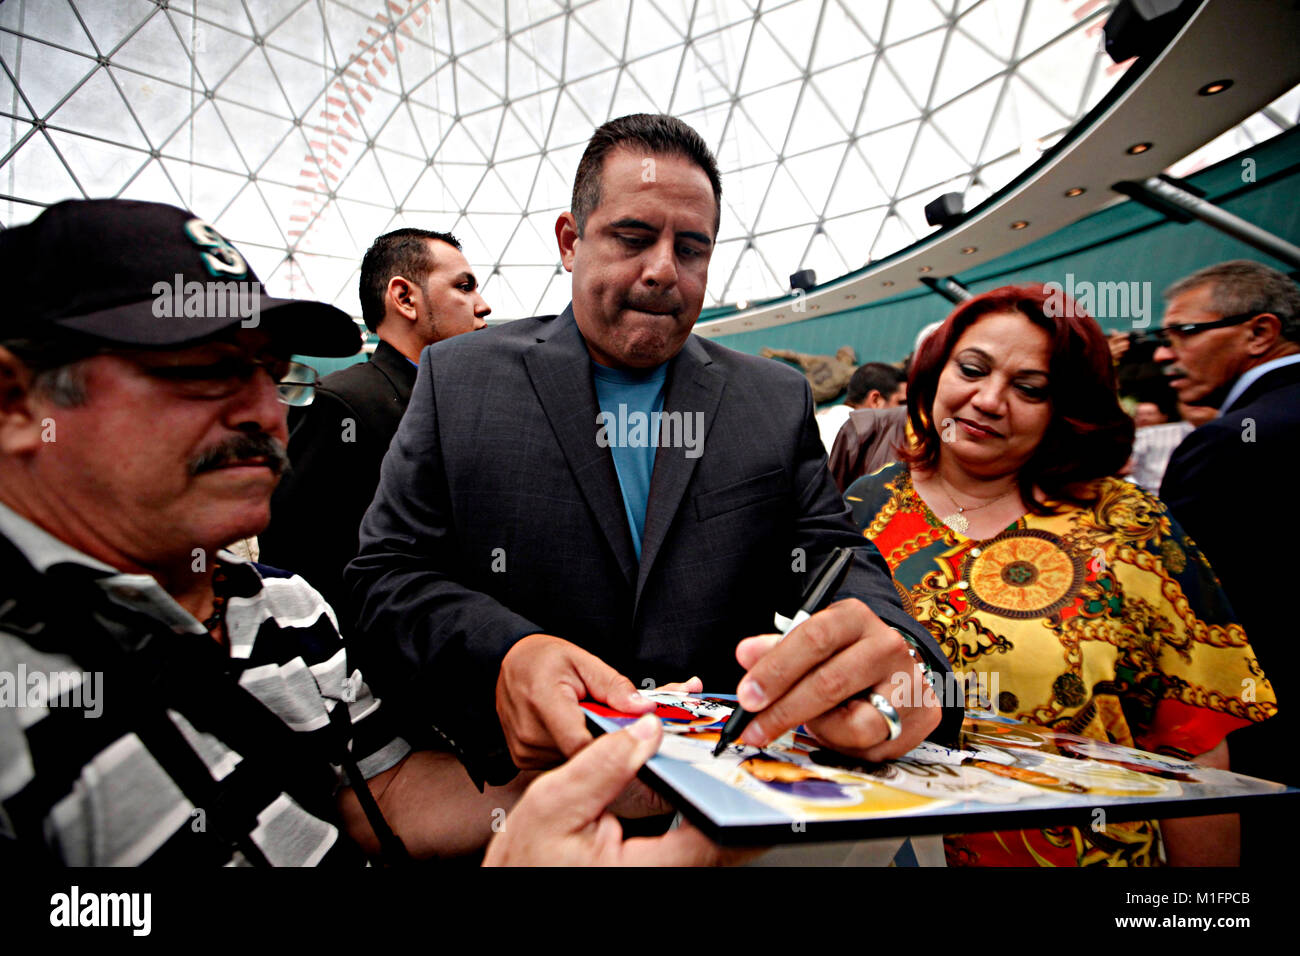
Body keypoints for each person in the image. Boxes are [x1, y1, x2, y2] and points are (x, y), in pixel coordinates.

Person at [0, 198, 728, 867]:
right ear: (14, 402)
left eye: (274, 374)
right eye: (205, 372)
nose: (268, 413)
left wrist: (633, 776)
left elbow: (380, 792)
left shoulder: (288, 609)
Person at [346, 113, 958, 794]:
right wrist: (507, 655)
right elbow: (386, 578)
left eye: (691, 249)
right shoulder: (460, 380)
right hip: (524, 807)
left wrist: (905, 657)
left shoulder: (770, 400)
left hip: (725, 812)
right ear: (570, 241)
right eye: (633, 238)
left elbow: (835, 558)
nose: (664, 271)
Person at [844, 284, 1276, 867]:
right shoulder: (862, 507)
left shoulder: (1129, 526)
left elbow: (1193, 743)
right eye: (971, 369)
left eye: (1030, 389)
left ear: (1066, 409)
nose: (989, 400)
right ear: (933, 372)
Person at [259, 229, 490, 618]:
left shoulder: (461, 403)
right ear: (405, 298)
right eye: (464, 287)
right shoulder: (342, 405)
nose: (482, 306)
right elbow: (299, 566)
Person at [1153, 260, 1300, 860]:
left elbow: (1171, 605)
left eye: (1182, 333)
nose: (1165, 354)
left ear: (1258, 333)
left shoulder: (1231, 444)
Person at [815, 361, 905, 454]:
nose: (907, 411)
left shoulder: (832, 419)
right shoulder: (845, 429)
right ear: (876, 400)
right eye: (902, 403)